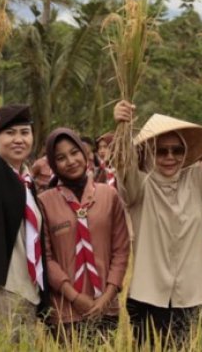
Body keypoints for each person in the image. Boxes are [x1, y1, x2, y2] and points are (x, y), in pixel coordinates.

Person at [114, 98, 202, 346]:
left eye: (177, 150)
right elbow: (125, 168)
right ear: (148, 151)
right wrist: (123, 128)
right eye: (161, 150)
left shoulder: (197, 180)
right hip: (150, 299)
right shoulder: (140, 187)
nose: (170, 157)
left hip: (199, 295)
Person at [0, 68, 49, 341]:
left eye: (25, 132)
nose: (18, 139)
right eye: (10, 133)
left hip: (29, 295)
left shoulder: (28, 183)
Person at [38, 128, 130, 342]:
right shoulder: (44, 201)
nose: (70, 161)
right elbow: (46, 257)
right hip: (65, 312)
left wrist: (107, 296)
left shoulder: (109, 195)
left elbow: (121, 250)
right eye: (61, 158)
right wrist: (75, 297)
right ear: (52, 164)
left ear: (84, 153)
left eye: (74, 152)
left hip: (106, 309)